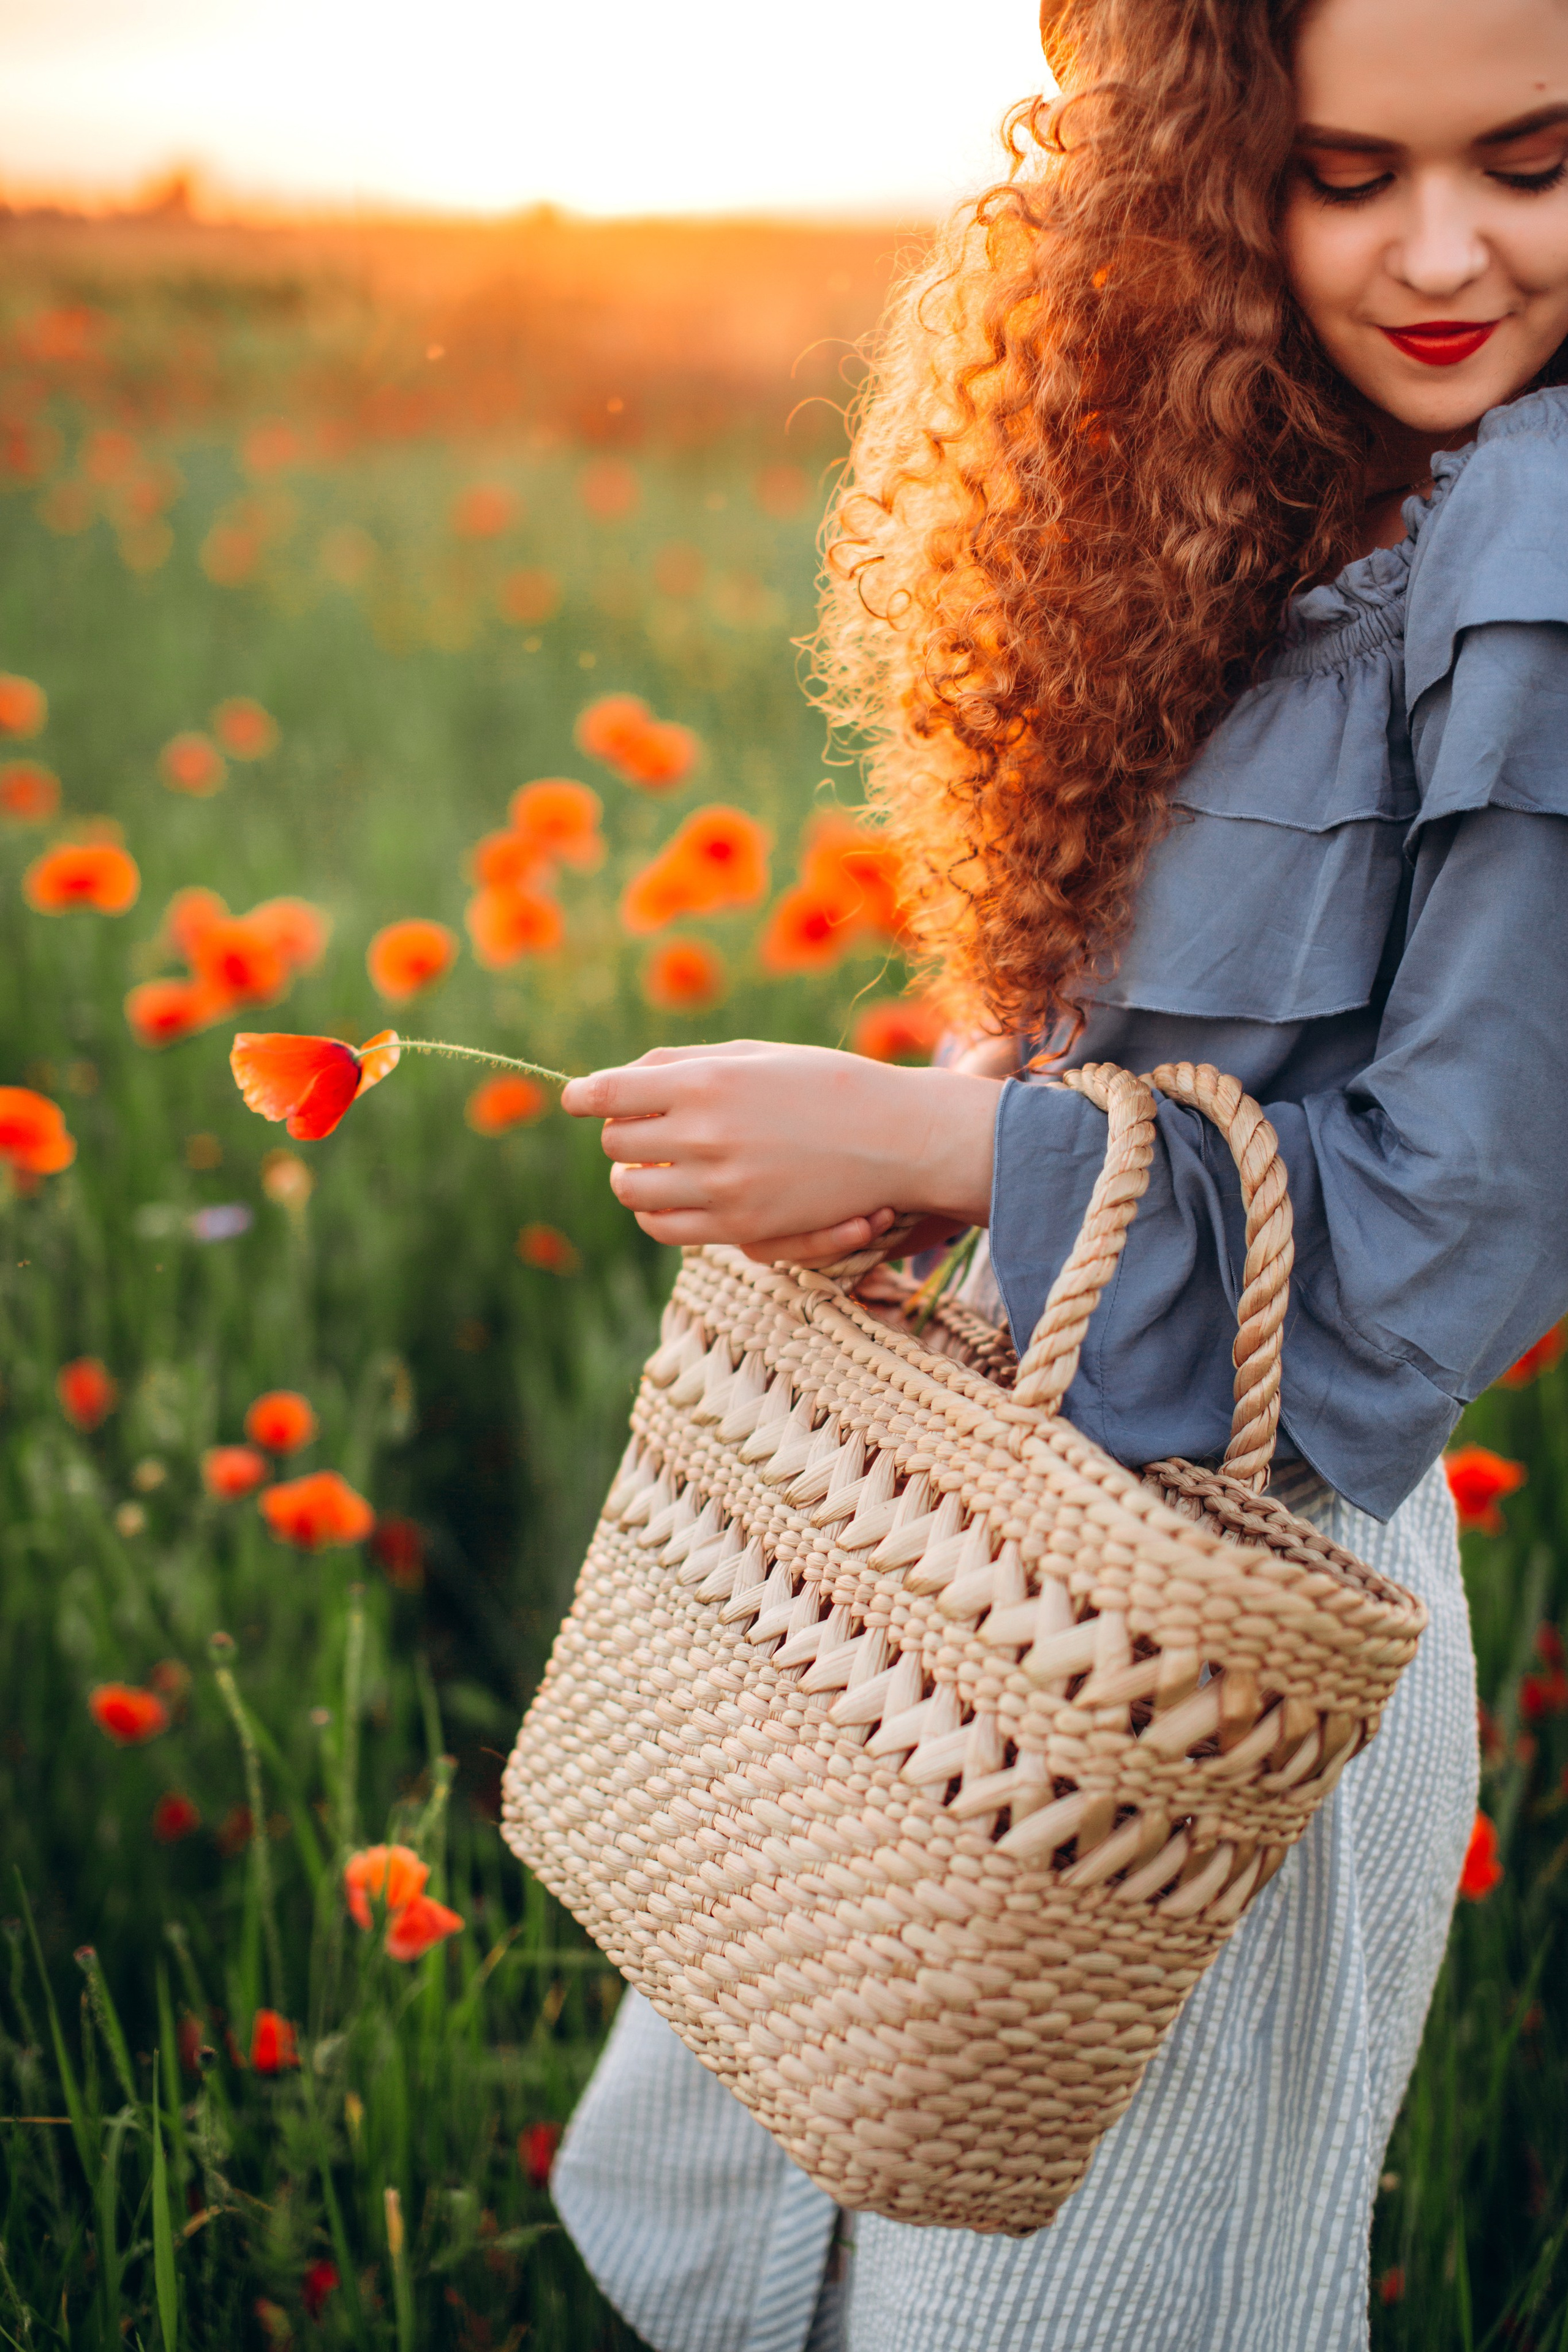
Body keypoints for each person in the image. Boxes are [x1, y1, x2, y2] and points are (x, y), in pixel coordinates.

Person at [549, 0, 1568, 2342]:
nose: (1438, 250)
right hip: (974, 1567)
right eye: (1344, 175)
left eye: (1526, 159)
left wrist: (939, 1140)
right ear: (1227, 173)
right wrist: (973, 1124)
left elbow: (1440, 1250)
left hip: (1202, 1636)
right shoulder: (1301, 471)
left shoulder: (1538, 521)